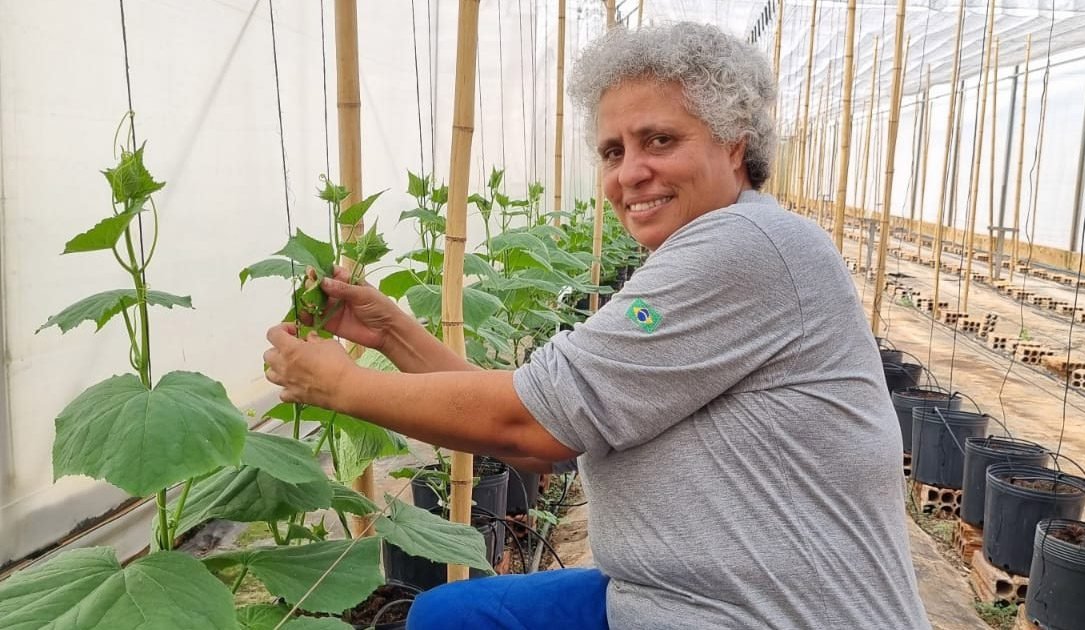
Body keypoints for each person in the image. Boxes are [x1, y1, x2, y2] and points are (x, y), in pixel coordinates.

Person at [264, 22, 930, 630]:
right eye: (613, 151)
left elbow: (530, 425)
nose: (630, 173)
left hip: (769, 613)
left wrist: (339, 385)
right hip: (676, 593)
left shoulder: (747, 244)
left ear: (735, 146)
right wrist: (391, 333)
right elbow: (541, 446)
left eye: (660, 140)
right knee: (449, 614)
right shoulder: (706, 253)